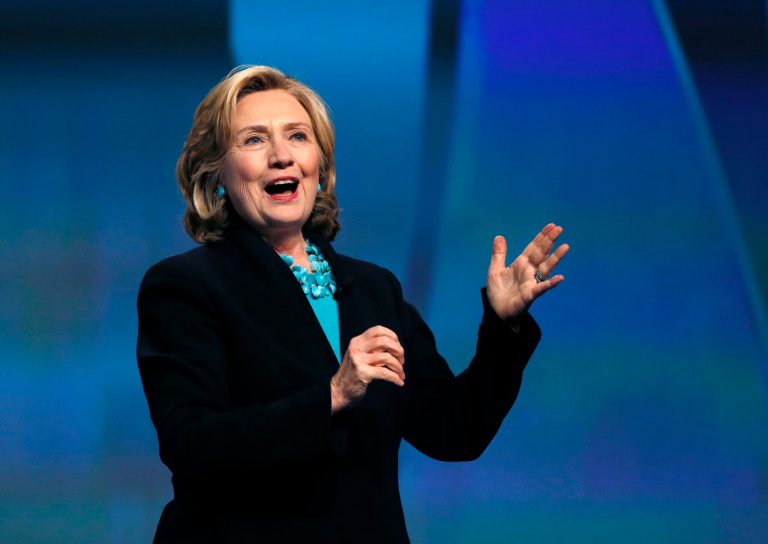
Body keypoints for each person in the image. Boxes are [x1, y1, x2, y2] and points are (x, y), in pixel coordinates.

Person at [137, 65, 569, 543]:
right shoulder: (185, 287)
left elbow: (455, 430)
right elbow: (192, 444)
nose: (282, 156)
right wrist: (332, 396)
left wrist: (501, 327)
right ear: (217, 173)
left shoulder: (373, 289)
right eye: (255, 140)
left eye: (297, 136)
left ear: (319, 167)